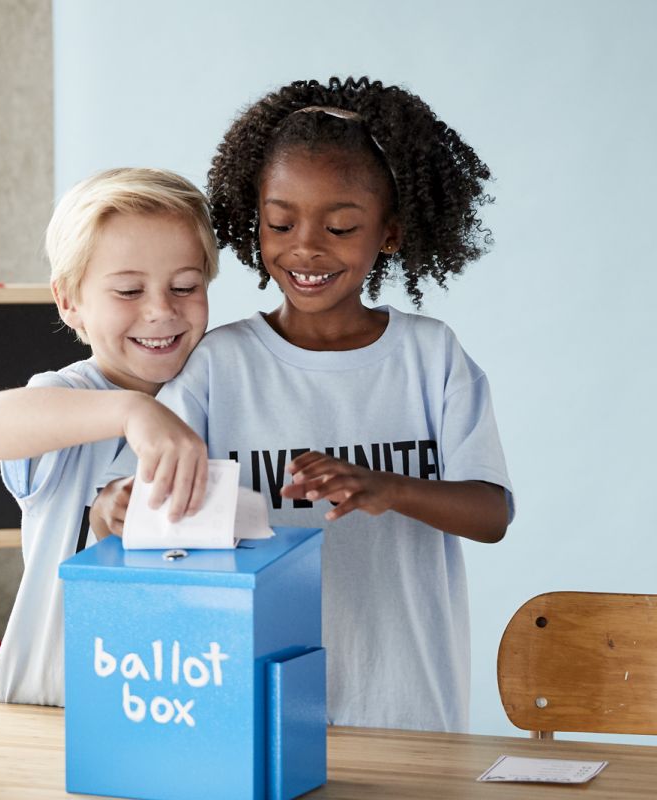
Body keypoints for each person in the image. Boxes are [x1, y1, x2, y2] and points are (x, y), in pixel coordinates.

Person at [91, 76, 515, 733]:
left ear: (390, 232)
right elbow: (132, 492)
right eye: (281, 223)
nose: (306, 247)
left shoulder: (430, 355)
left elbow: (491, 514)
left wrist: (388, 488)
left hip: (408, 703)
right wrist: (118, 504)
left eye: (340, 226)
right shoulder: (219, 364)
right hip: (255, 700)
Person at [0, 167, 218, 706]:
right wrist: (131, 410)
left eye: (185, 286)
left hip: (174, 699)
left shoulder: (218, 391)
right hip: (51, 702)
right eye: (128, 290)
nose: (161, 310)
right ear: (69, 301)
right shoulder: (67, 395)